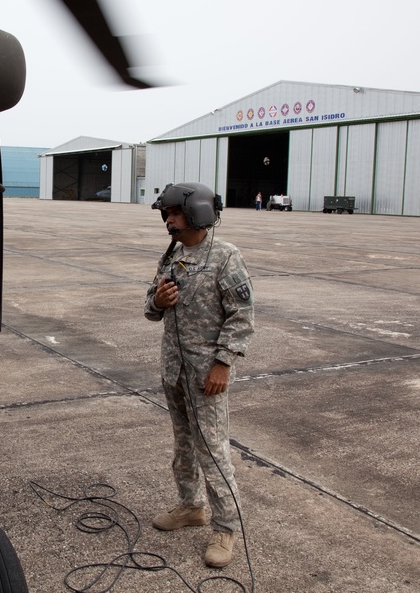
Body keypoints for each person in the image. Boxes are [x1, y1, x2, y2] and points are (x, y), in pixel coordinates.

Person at [144, 182, 255, 569]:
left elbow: (242, 316)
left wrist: (224, 363)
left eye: (174, 213)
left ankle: (225, 527)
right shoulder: (172, 255)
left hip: (206, 374)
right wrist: (156, 301)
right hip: (173, 370)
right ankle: (191, 507)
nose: (168, 220)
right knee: (183, 446)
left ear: (197, 214)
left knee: (213, 450)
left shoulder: (225, 257)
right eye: (167, 214)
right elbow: (149, 306)